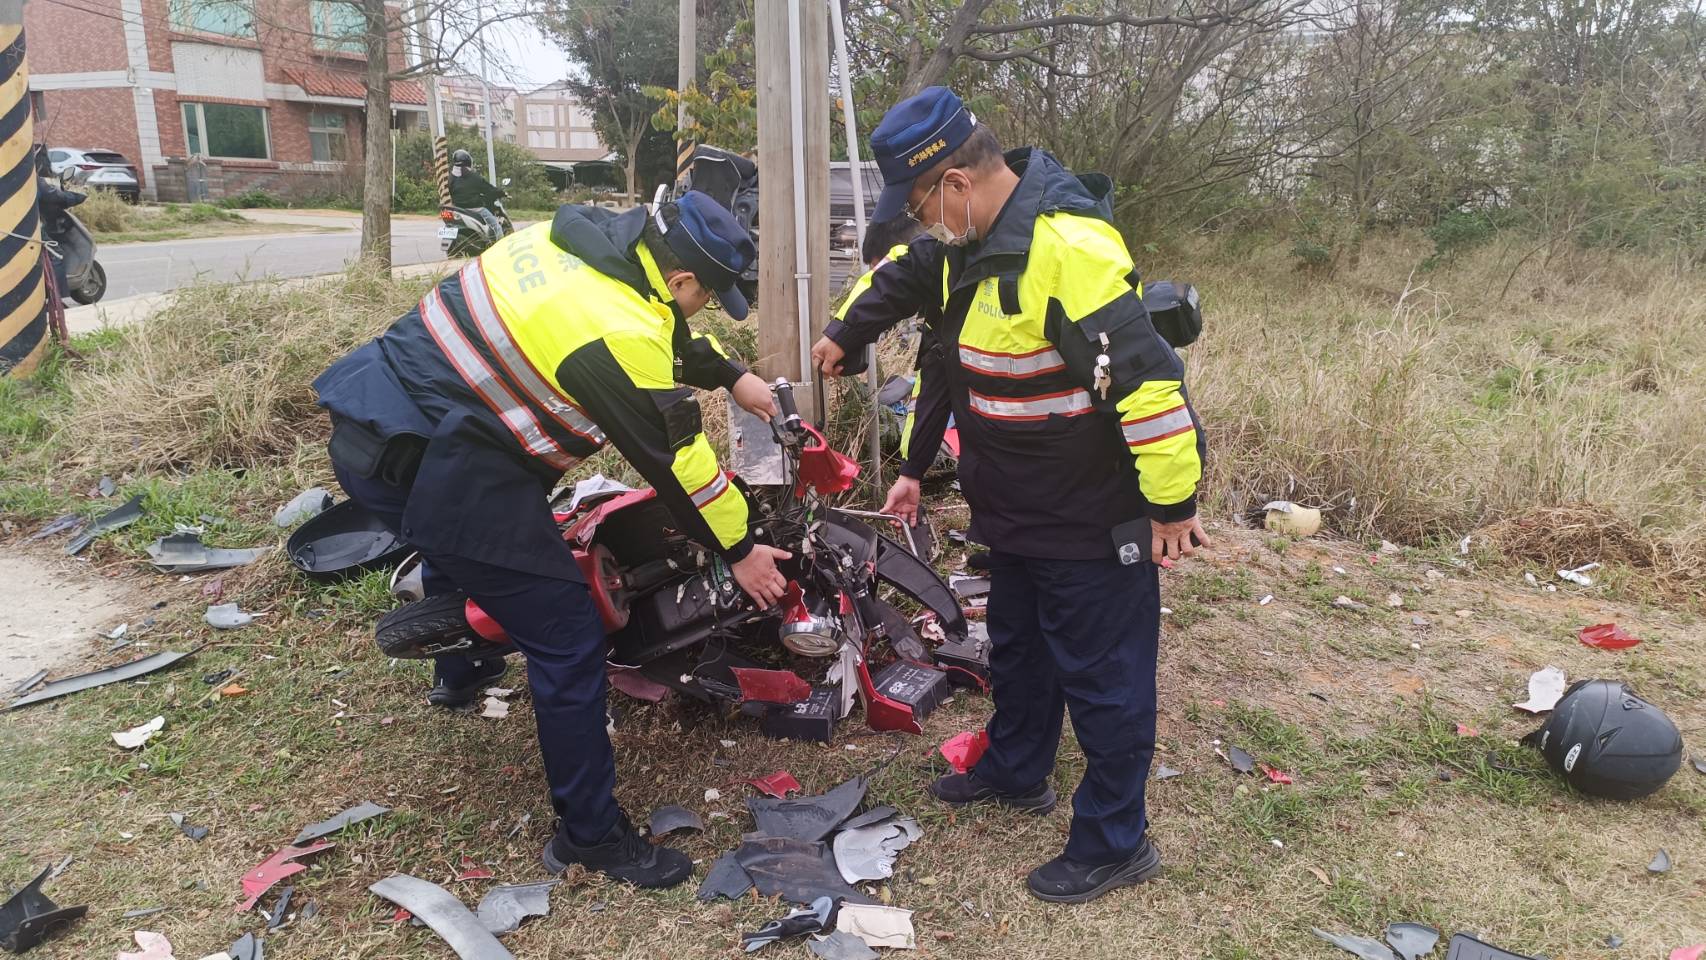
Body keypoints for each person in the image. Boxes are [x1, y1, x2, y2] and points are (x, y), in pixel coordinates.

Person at [313, 191, 790, 889]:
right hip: (427, 465)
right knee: (566, 633)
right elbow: (677, 461)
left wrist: (731, 374)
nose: (702, 310)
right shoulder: (615, 327)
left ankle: (463, 671)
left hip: (381, 413)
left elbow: (660, 329)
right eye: (710, 297)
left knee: (495, 549)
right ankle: (590, 838)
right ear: (684, 279)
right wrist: (742, 550)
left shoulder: (572, 241)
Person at [811, 87, 1211, 904]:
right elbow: (899, 271)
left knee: (1104, 681)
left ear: (955, 183)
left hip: (1092, 518)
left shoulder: (1069, 251)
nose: (923, 225)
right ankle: (1018, 769)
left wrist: (1172, 507)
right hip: (1020, 513)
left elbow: (1151, 388)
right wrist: (844, 332)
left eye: (922, 206)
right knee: (1021, 654)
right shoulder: (969, 243)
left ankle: (1113, 841)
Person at [35, 147, 85, 298]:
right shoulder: (29, 177)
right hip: (25, 229)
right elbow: (54, 196)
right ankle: (57, 298)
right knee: (56, 255)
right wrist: (76, 197)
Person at [448, 148, 506, 240]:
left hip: (458, 208)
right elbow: (488, 188)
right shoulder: (473, 176)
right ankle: (502, 247)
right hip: (475, 208)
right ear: (468, 161)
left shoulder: (451, 176)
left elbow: (450, 190)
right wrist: (501, 193)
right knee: (496, 227)